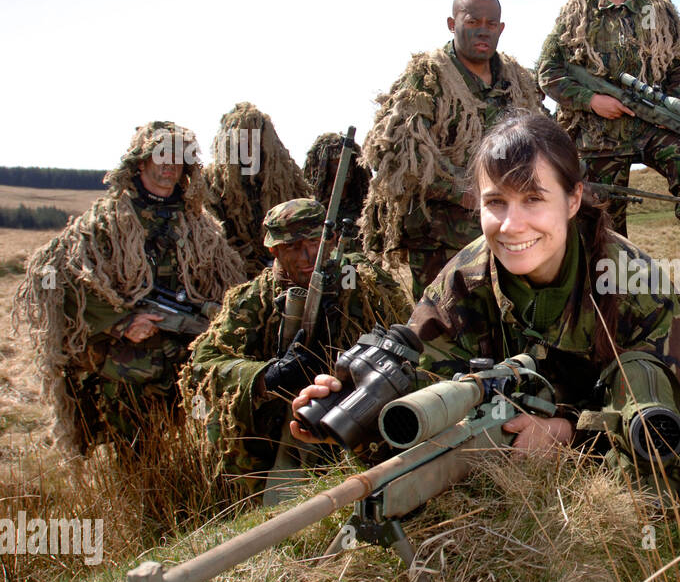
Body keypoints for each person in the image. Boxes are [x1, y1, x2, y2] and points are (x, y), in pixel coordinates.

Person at [292, 113, 680, 490]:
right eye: (495, 202)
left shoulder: (634, 283)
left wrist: (570, 432)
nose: (511, 225)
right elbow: (422, 396)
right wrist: (354, 413)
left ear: (572, 200)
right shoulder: (461, 283)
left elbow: (660, 421)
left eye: (533, 199)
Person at [14, 121, 244, 456]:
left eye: (177, 158)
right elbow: (54, 273)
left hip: (185, 351)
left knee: (198, 442)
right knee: (136, 451)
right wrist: (122, 322)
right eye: (160, 156)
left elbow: (224, 281)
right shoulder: (109, 220)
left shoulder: (198, 222)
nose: (168, 166)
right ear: (141, 162)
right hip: (126, 364)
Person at [183, 199, 411, 483]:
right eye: (293, 247)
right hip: (281, 425)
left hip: (358, 409)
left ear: (333, 239)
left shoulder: (360, 279)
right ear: (274, 250)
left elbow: (407, 334)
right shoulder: (254, 299)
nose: (307, 256)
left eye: (316, 241)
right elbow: (201, 366)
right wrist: (267, 376)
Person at [537, 0, 680, 260]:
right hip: (598, 134)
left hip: (652, 127)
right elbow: (549, 72)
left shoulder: (655, 9)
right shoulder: (577, 12)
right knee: (603, 218)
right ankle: (612, 275)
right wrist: (591, 101)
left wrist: (670, 112)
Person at [361, 0, 545, 299]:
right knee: (443, 324)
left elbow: (542, 136)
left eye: (491, 25)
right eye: (473, 22)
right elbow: (395, 155)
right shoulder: (427, 77)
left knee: (509, 315)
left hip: (508, 229)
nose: (482, 31)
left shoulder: (517, 80)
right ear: (452, 23)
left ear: (501, 29)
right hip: (441, 237)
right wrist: (462, 190)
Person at [204, 102, 311, 278]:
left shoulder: (283, 179)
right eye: (242, 139)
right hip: (233, 267)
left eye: (254, 138)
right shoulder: (212, 184)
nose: (248, 146)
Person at [303, 131, 369, 245]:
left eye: (349, 162)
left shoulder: (365, 208)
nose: (345, 167)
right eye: (336, 163)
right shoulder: (311, 211)